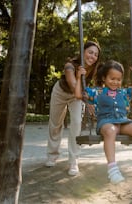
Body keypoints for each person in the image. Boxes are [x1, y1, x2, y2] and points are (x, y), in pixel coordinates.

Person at [75, 60, 132, 184]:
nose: (116, 82)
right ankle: (112, 169)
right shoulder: (97, 92)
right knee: (110, 131)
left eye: (118, 79)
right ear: (104, 78)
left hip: (122, 121)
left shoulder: (123, 92)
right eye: (112, 78)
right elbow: (78, 95)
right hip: (106, 122)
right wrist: (79, 77)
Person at [46, 41, 101, 176]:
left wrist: (91, 101)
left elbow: (86, 89)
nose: (92, 56)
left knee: (76, 122)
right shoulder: (70, 66)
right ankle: (52, 154)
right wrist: (86, 100)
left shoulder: (93, 70)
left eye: (95, 54)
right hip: (61, 92)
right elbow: (72, 84)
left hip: (76, 97)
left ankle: (73, 160)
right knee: (55, 124)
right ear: (83, 52)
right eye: (90, 52)